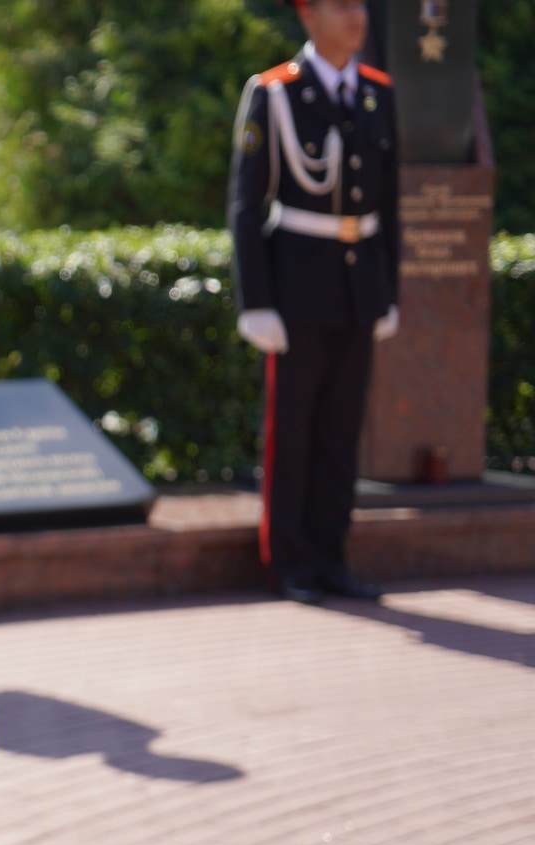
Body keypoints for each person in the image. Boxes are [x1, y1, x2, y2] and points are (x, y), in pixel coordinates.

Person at [228, 0, 400, 604]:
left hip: (357, 290)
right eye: (340, 4)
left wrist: (389, 293)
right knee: (293, 432)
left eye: (360, 4)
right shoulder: (274, 92)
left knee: (340, 431)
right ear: (307, 15)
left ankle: (332, 557)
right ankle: (290, 562)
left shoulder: (377, 92)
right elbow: (246, 205)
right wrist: (256, 302)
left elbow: (390, 205)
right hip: (295, 289)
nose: (356, 16)